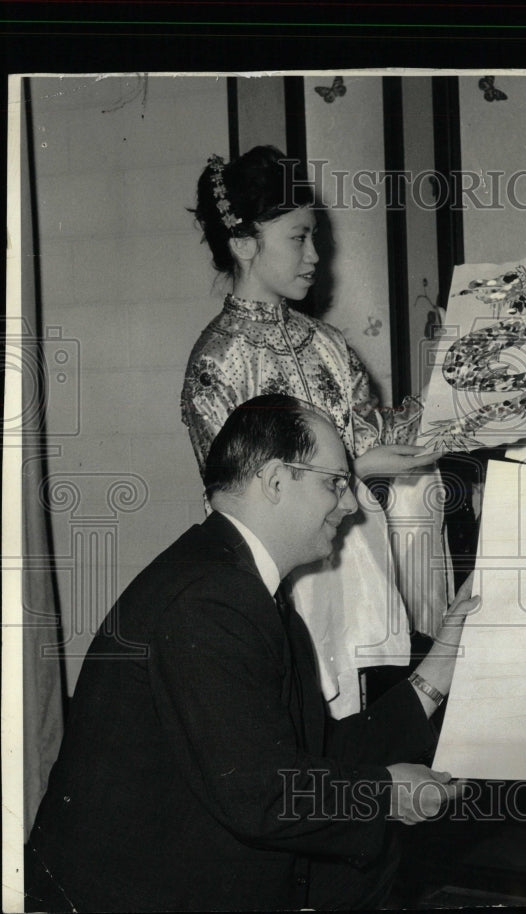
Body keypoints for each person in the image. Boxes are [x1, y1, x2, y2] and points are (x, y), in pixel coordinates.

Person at [25, 395, 478, 912]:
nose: (351, 504)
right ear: (275, 481)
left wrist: (442, 662)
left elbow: (312, 754)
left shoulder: (234, 581)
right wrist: (388, 793)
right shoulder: (209, 596)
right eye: (335, 482)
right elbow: (259, 792)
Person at [182, 146, 448, 718]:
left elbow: (371, 434)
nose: (315, 256)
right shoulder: (216, 363)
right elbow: (246, 502)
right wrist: (359, 470)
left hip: (360, 565)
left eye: (315, 237)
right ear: (244, 244)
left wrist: (453, 396)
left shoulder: (326, 343)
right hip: (285, 586)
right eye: (298, 238)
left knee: (368, 731)